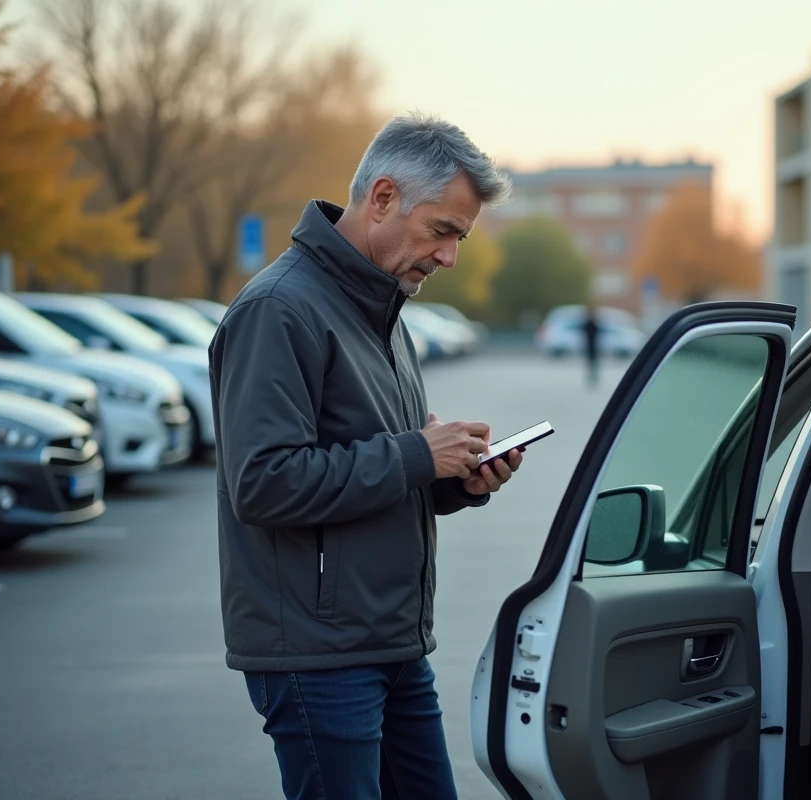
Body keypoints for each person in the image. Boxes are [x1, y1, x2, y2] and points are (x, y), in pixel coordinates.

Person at [208, 113, 517, 800]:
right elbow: (261, 482)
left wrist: (457, 480)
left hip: (391, 643)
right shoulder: (279, 310)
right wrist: (415, 455)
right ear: (382, 199)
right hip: (320, 655)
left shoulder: (381, 309)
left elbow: (379, 467)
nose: (449, 258)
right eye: (443, 232)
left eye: (459, 239)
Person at [582, 302, 601, 387]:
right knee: (591, 363)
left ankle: (593, 377)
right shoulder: (590, 322)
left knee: (593, 363)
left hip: (593, 346)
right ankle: (592, 377)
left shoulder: (591, 322)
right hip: (591, 346)